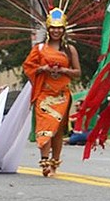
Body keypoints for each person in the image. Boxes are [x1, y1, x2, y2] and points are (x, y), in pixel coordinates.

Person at [22, 9, 81, 176]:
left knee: (57, 130)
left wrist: (64, 70)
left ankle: (54, 162)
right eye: (53, 28)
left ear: (64, 29)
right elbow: (28, 67)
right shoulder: (39, 49)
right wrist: (43, 68)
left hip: (61, 95)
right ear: (48, 29)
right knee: (45, 127)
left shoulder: (70, 50)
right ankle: (45, 162)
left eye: (59, 27)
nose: (56, 31)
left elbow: (77, 72)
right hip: (44, 94)